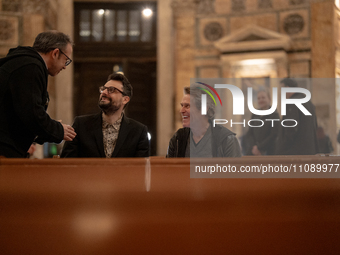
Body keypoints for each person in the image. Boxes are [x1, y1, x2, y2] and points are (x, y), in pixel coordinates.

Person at [0, 31, 76, 158]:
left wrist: (48, 127)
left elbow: (22, 118)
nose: (65, 67)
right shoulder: (31, 66)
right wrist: (58, 129)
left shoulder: (25, 62)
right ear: (55, 53)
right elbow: (32, 114)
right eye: (66, 60)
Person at [61, 73, 149, 158]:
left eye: (111, 90)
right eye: (103, 89)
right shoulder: (80, 125)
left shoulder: (139, 131)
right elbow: (66, 163)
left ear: (125, 99)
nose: (104, 92)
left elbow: (141, 169)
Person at [166, 86, 242, 157]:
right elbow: (168, 169)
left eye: (187, 106)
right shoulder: (178, 139)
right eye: (182, 106)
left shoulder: (226, 140)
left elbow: (234, 170)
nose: (181, 111)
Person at [275, 78, 319, 155]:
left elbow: (291, 129)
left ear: (287, 88)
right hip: (310, 151)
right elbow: (315, 125)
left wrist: (281, 149)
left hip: (295, 151)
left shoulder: (292, 103)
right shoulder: (309, 103)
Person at [243, 89, 280, 155]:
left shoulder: (274, 115)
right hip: (253, 151)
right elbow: (250, 133)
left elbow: (274, 134)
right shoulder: (255, 114)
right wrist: (254, 147)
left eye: (263, 97)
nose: (261, 100)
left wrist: (259, 147)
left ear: (269, 99)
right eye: (259, 98)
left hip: (269, 151)